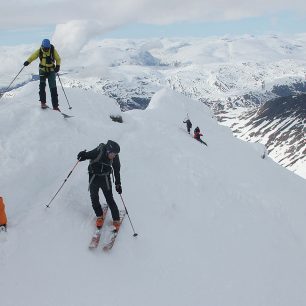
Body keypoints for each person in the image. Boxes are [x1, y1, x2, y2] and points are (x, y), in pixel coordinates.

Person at [77, 140, 122, 230]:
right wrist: (82, 155)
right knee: (94, 198)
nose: (115, 155)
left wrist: (118, 183)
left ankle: (116, 219)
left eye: (116, 154)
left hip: (105, 178)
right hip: (93, 177)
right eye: (113, 153)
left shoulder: (115, 156)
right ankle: (99, 216)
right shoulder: (99, 150)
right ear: (108, 151)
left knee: (109, 198)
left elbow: (116, 170)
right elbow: (88, 155)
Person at [24, 39, 61, 111]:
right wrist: (27, 61)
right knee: (42, 86)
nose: (46, 49)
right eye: (45, 48)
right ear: (42, 46)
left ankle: (55, 106)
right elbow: (33, 56)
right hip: (42, 70)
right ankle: (43, 103)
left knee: (53, 88)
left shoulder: (53, 50)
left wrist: (58, 66)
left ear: (49, 46)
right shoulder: (40, 50)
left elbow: (58, 59)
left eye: (47, 48)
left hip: (51, 70)